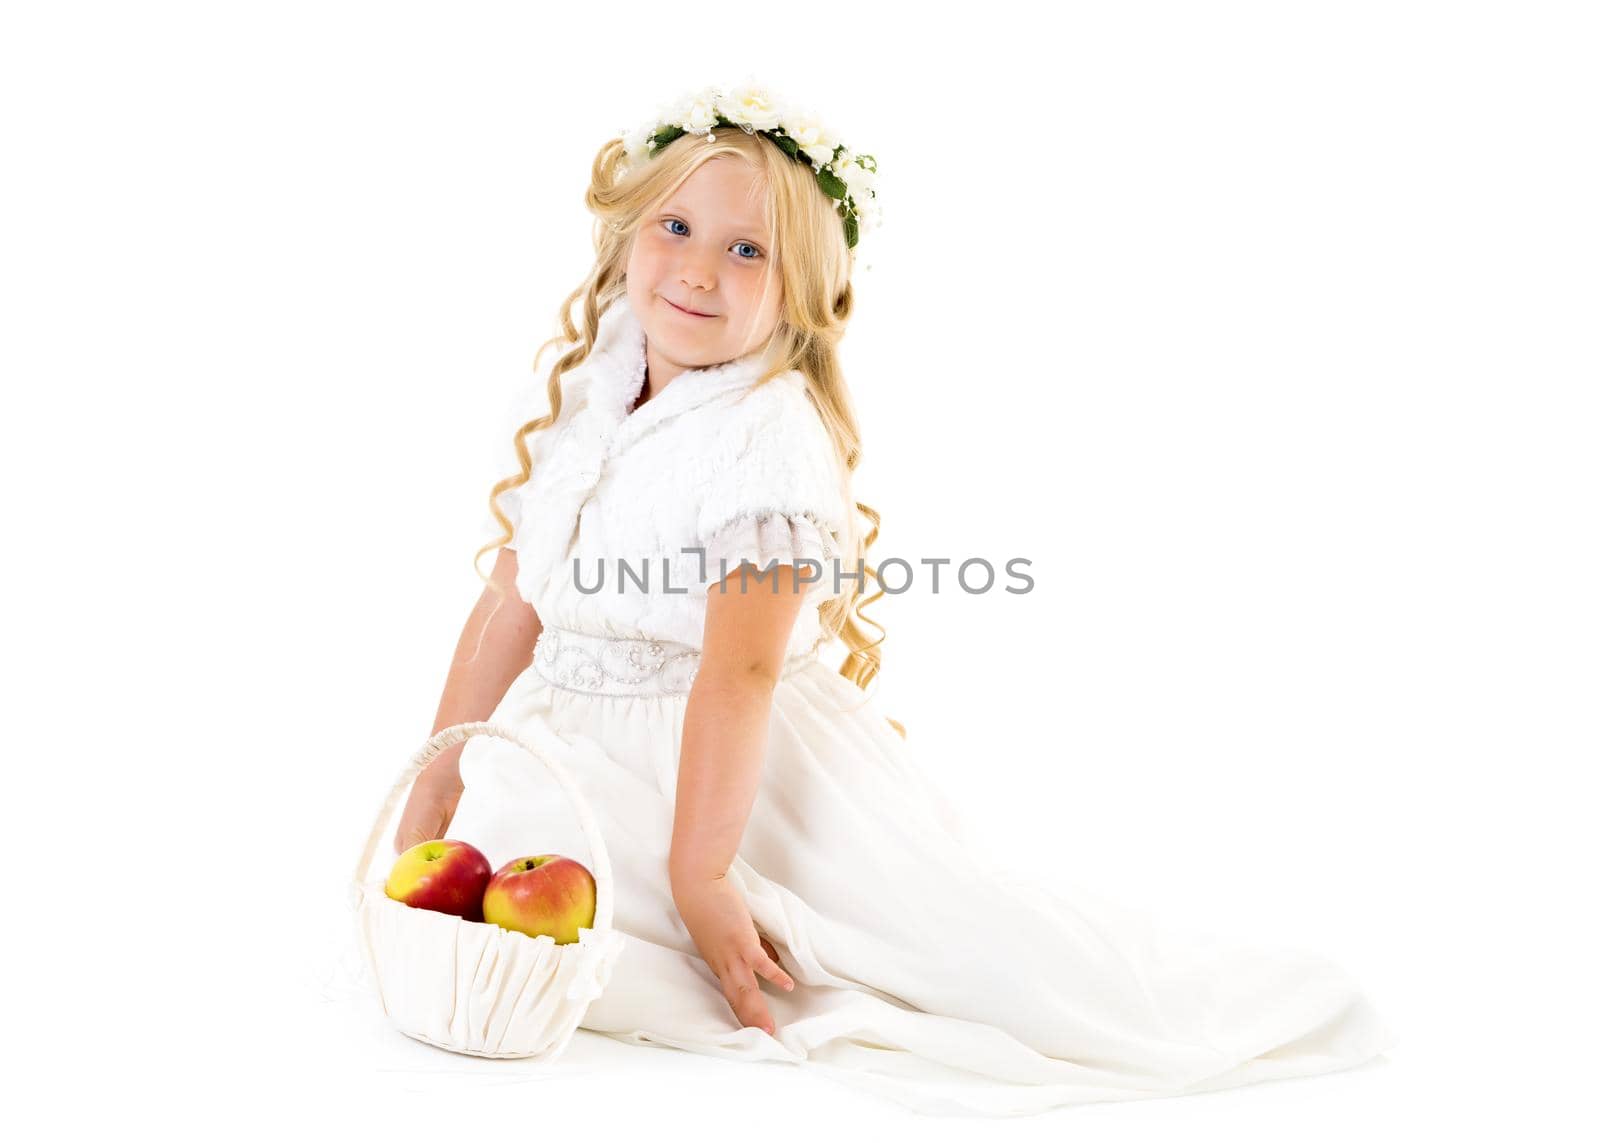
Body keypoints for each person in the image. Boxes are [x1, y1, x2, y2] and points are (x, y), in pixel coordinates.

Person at [387, 82, 1396, 1117]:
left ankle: (1193, 1005)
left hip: (727, 777)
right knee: (506, 947)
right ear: (625, 236)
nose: (695, 268)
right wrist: (436, 781)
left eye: (748, 251)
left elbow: (739, 671)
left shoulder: (763, 437)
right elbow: (512, 600)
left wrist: (703, 872)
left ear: (801, 292)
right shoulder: (591, 379)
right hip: (570, 759)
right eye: (675, 227)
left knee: (957, 961)